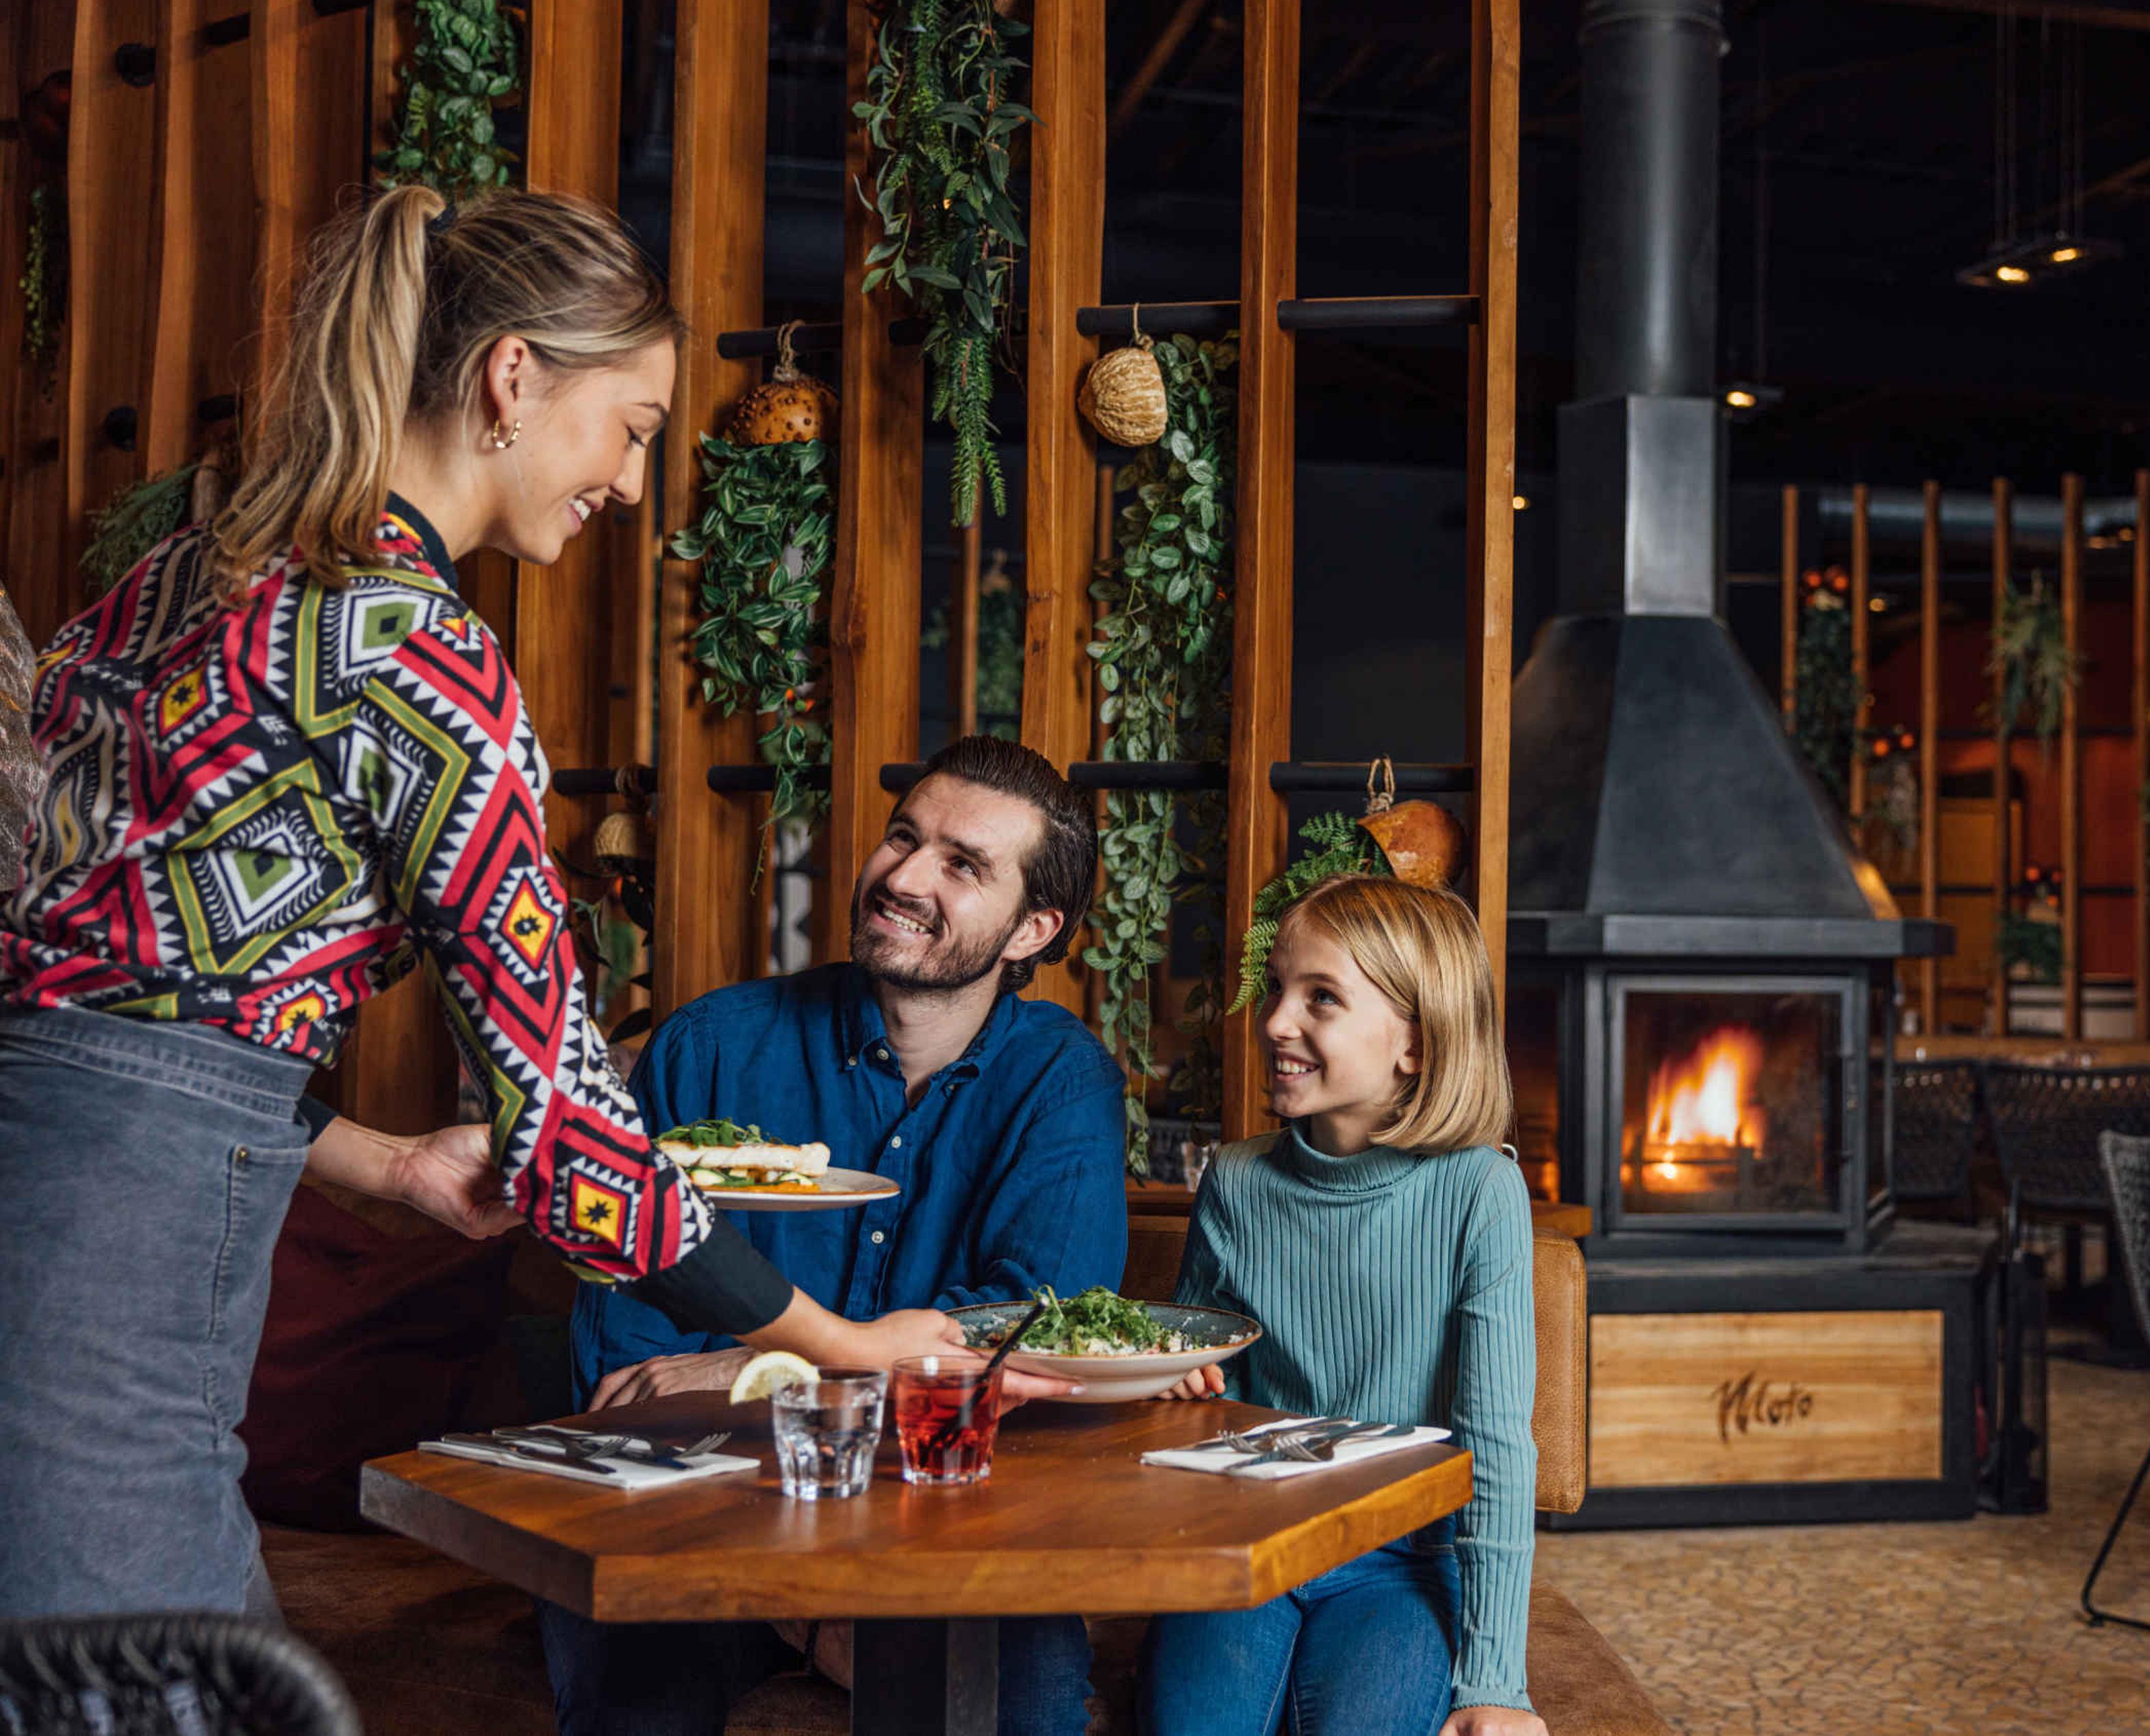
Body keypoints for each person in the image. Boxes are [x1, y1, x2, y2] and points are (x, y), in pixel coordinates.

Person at [0, 183, 1047, 1620]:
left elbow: (108, 995)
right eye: (633, 429)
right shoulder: (424, 662)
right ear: (512, 377)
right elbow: (571, 1137)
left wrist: (384, 1165)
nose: (629, 484)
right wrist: (849, 1343)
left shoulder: (180, 579)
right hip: (115, 1287)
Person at [542, 735, 1125, 1736]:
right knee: (634, 1690)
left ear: (1033, 928)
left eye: (961, 862)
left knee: (1030, 1701)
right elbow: (629, 1365)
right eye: (904, 836)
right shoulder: (710, 1045)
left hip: (940, 1527)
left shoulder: (1062, 1084)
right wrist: (810, 1606)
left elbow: (1029, 1339)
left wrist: (741, 1364)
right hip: (703, 1516)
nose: (902, 875)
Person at [1143, 876, 1547, 1736]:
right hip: (1246, 1542)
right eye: (1280, 987)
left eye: (1322, 998)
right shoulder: (1237, 1181)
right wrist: (1178, 1389)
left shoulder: (1483, 1190)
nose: (1276, 1021)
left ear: (1416, 1044)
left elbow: (1498, 1448)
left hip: (1402, 1565)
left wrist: (1494, 1685)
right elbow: (1202, 1396)